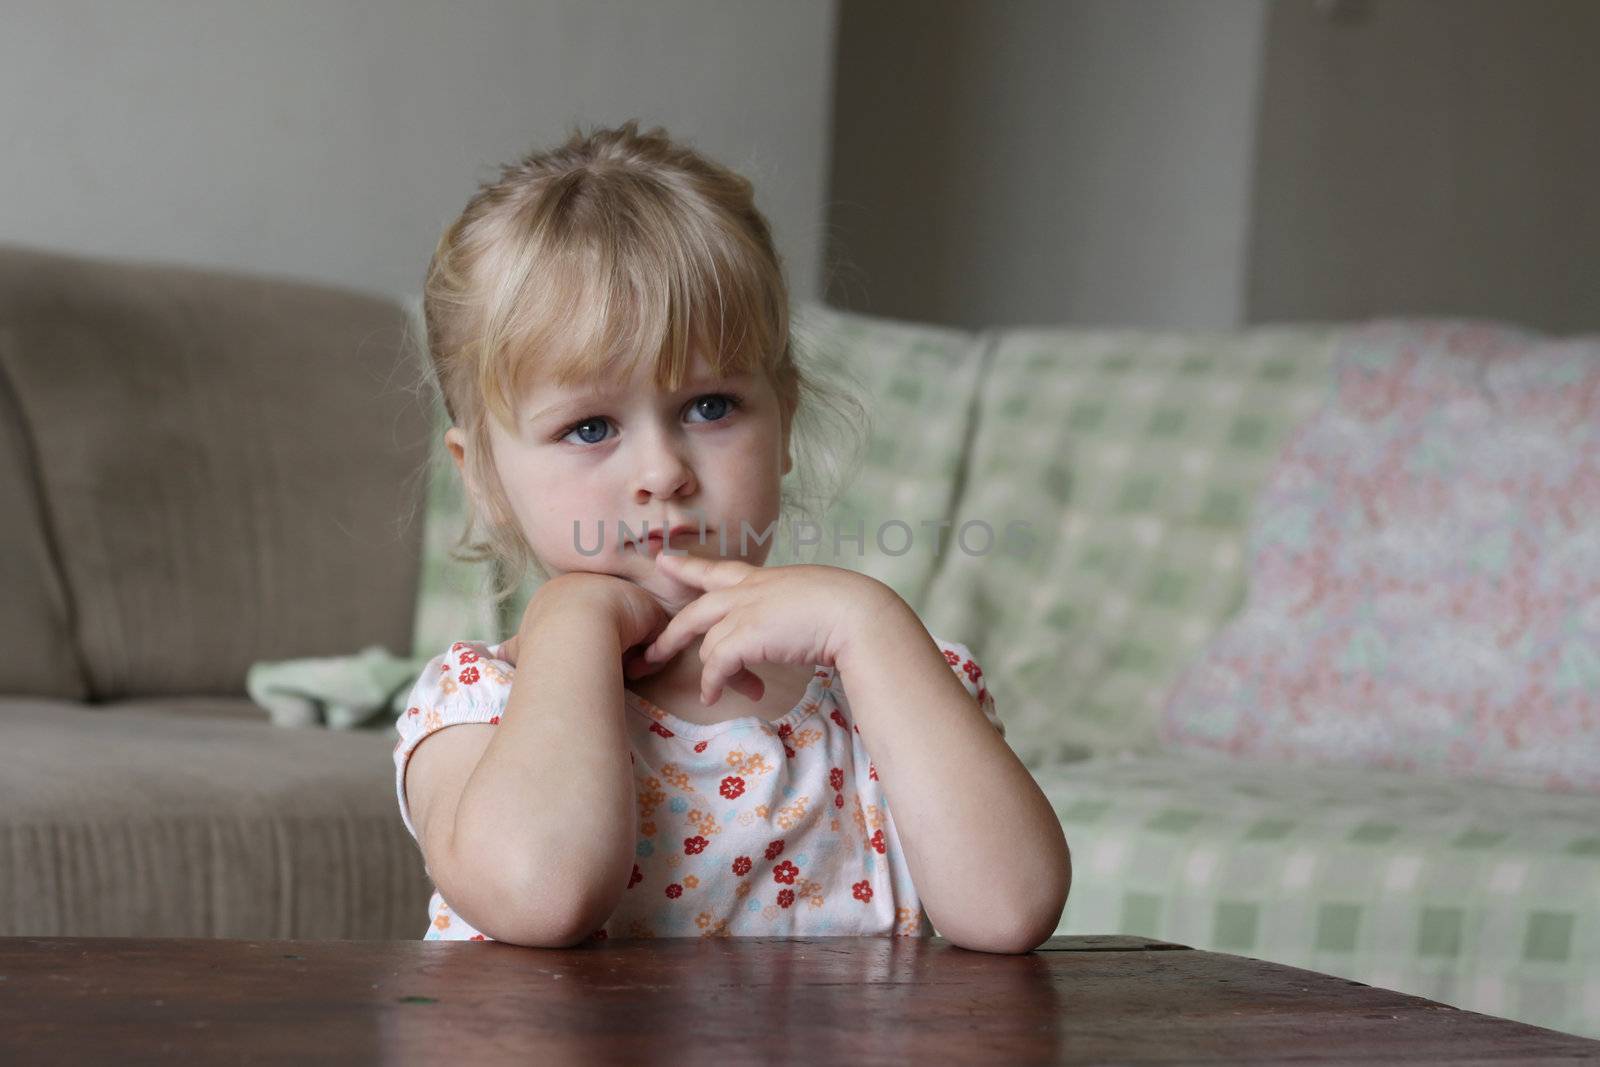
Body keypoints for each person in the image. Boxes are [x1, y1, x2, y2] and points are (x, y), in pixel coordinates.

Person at [393, 120, 1070, 950]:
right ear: (485, 477)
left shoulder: (888, 686)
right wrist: (570, 621)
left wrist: (867, 622)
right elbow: (542, 896)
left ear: (783, 420)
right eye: (590, 426)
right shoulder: (476, 708)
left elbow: (1012, 912)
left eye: (709, 407)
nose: (662, 471)